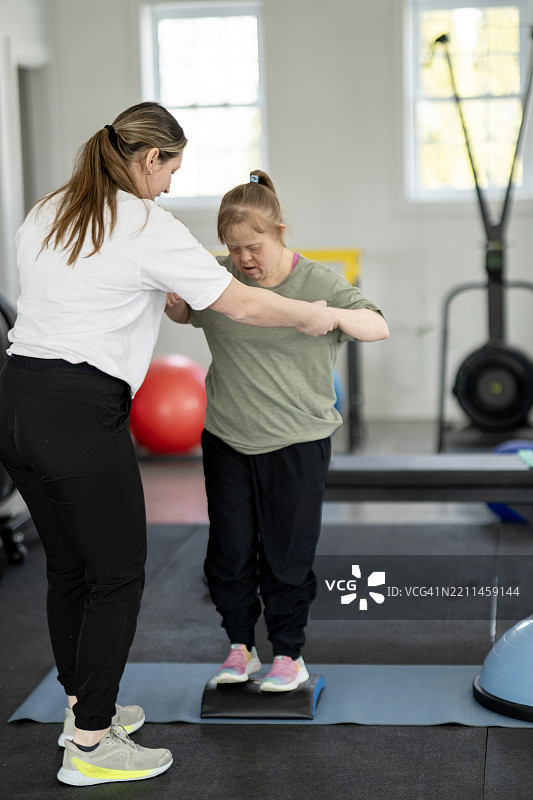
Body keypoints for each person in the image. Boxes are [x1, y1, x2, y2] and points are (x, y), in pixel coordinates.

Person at [0, 106, 338, 788]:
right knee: (118, 574)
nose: (169, 185)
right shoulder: (145, 224)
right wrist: (317, 313)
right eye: (171, 170)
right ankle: (91, 747)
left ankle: (83, 709)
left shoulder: (47, 210)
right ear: (150, 158)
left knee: (70, 568)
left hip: (16, 400)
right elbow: (238, 302)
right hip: (78, 413)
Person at [165, 169, 389, 693]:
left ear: (280, 232)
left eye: (254, 246)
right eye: (233, 248)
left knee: (287, 554)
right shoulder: (220, 279)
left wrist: (331, 317)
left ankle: (288, 653)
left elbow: (377, 325)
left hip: (297, 441)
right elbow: (188, 314)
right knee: (229, 551)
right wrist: (177, 307)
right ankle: (239, 646)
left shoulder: (318, 283)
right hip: (227, 437)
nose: (244, 259)